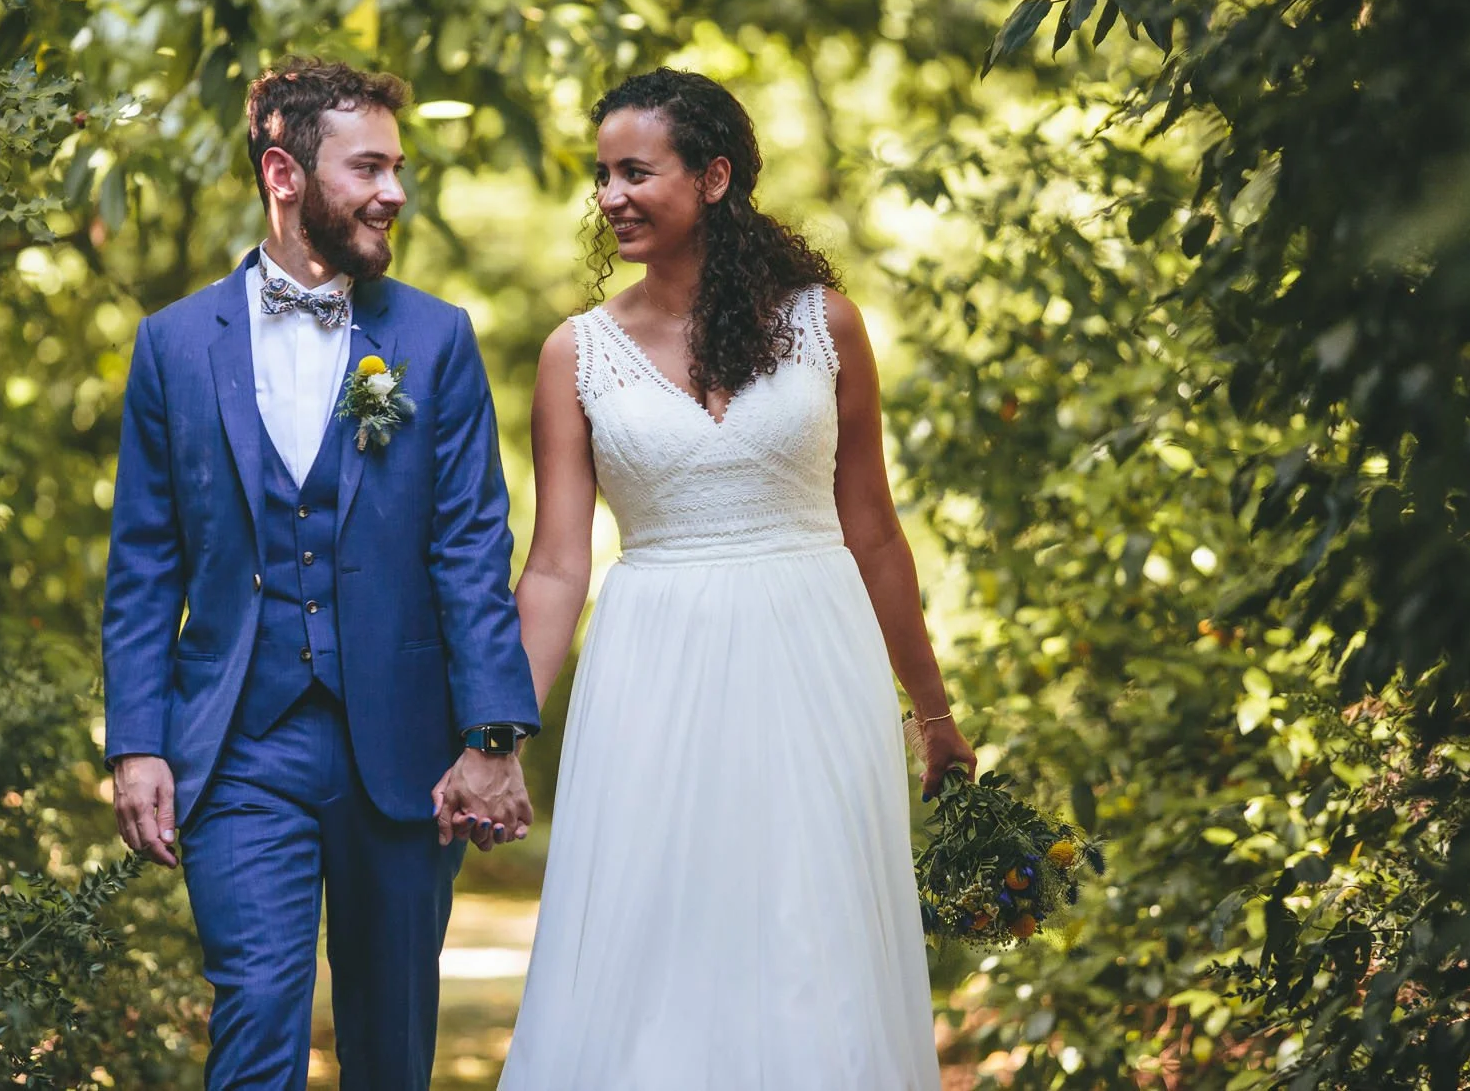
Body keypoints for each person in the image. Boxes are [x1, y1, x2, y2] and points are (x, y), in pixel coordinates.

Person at [499, 68, 976, 1088]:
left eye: (636, 172)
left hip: (813, 651)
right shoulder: (572, 355)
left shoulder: (824, 324)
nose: (611, 196)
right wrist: (495, 734)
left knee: (813, 928)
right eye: (601, 176)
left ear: (712, 177)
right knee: (659, 932)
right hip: (652, 663)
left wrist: (931, 713)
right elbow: (553, 567)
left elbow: (875, 534)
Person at [98, 57, 540, 1091]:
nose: (395, 191)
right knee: (255, 1005)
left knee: (390, 1043)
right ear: (283, 173)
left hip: (404, 753)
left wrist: (488, 738)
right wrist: (136, 743)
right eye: (370, 167)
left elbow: (472, 545)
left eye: (399, 167)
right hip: (240, 742)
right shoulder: (171, 347)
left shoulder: (434, 341)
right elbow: (144, 561)